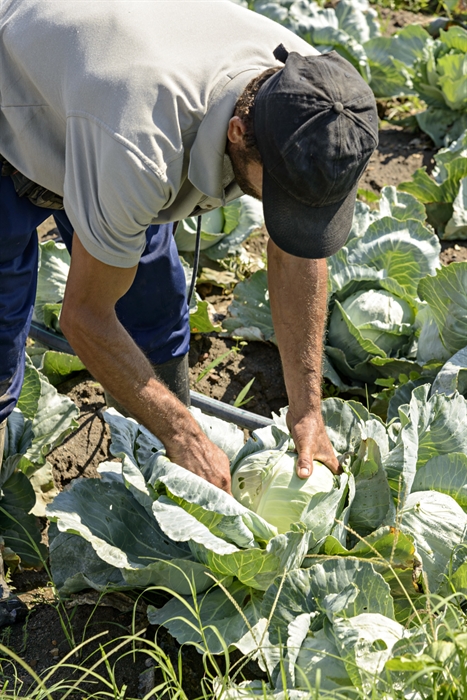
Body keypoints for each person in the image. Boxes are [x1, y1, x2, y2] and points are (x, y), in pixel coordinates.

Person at [0, 0, 378, 614]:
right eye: (275, 195)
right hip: (14, 101)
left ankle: (161, 480)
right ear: (237, 134)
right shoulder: (140, 148)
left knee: (154, 303)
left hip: (109, 100)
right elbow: (84, 317)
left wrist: (308, 408)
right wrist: (184, 431)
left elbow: (296, 248)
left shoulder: (306, 97)